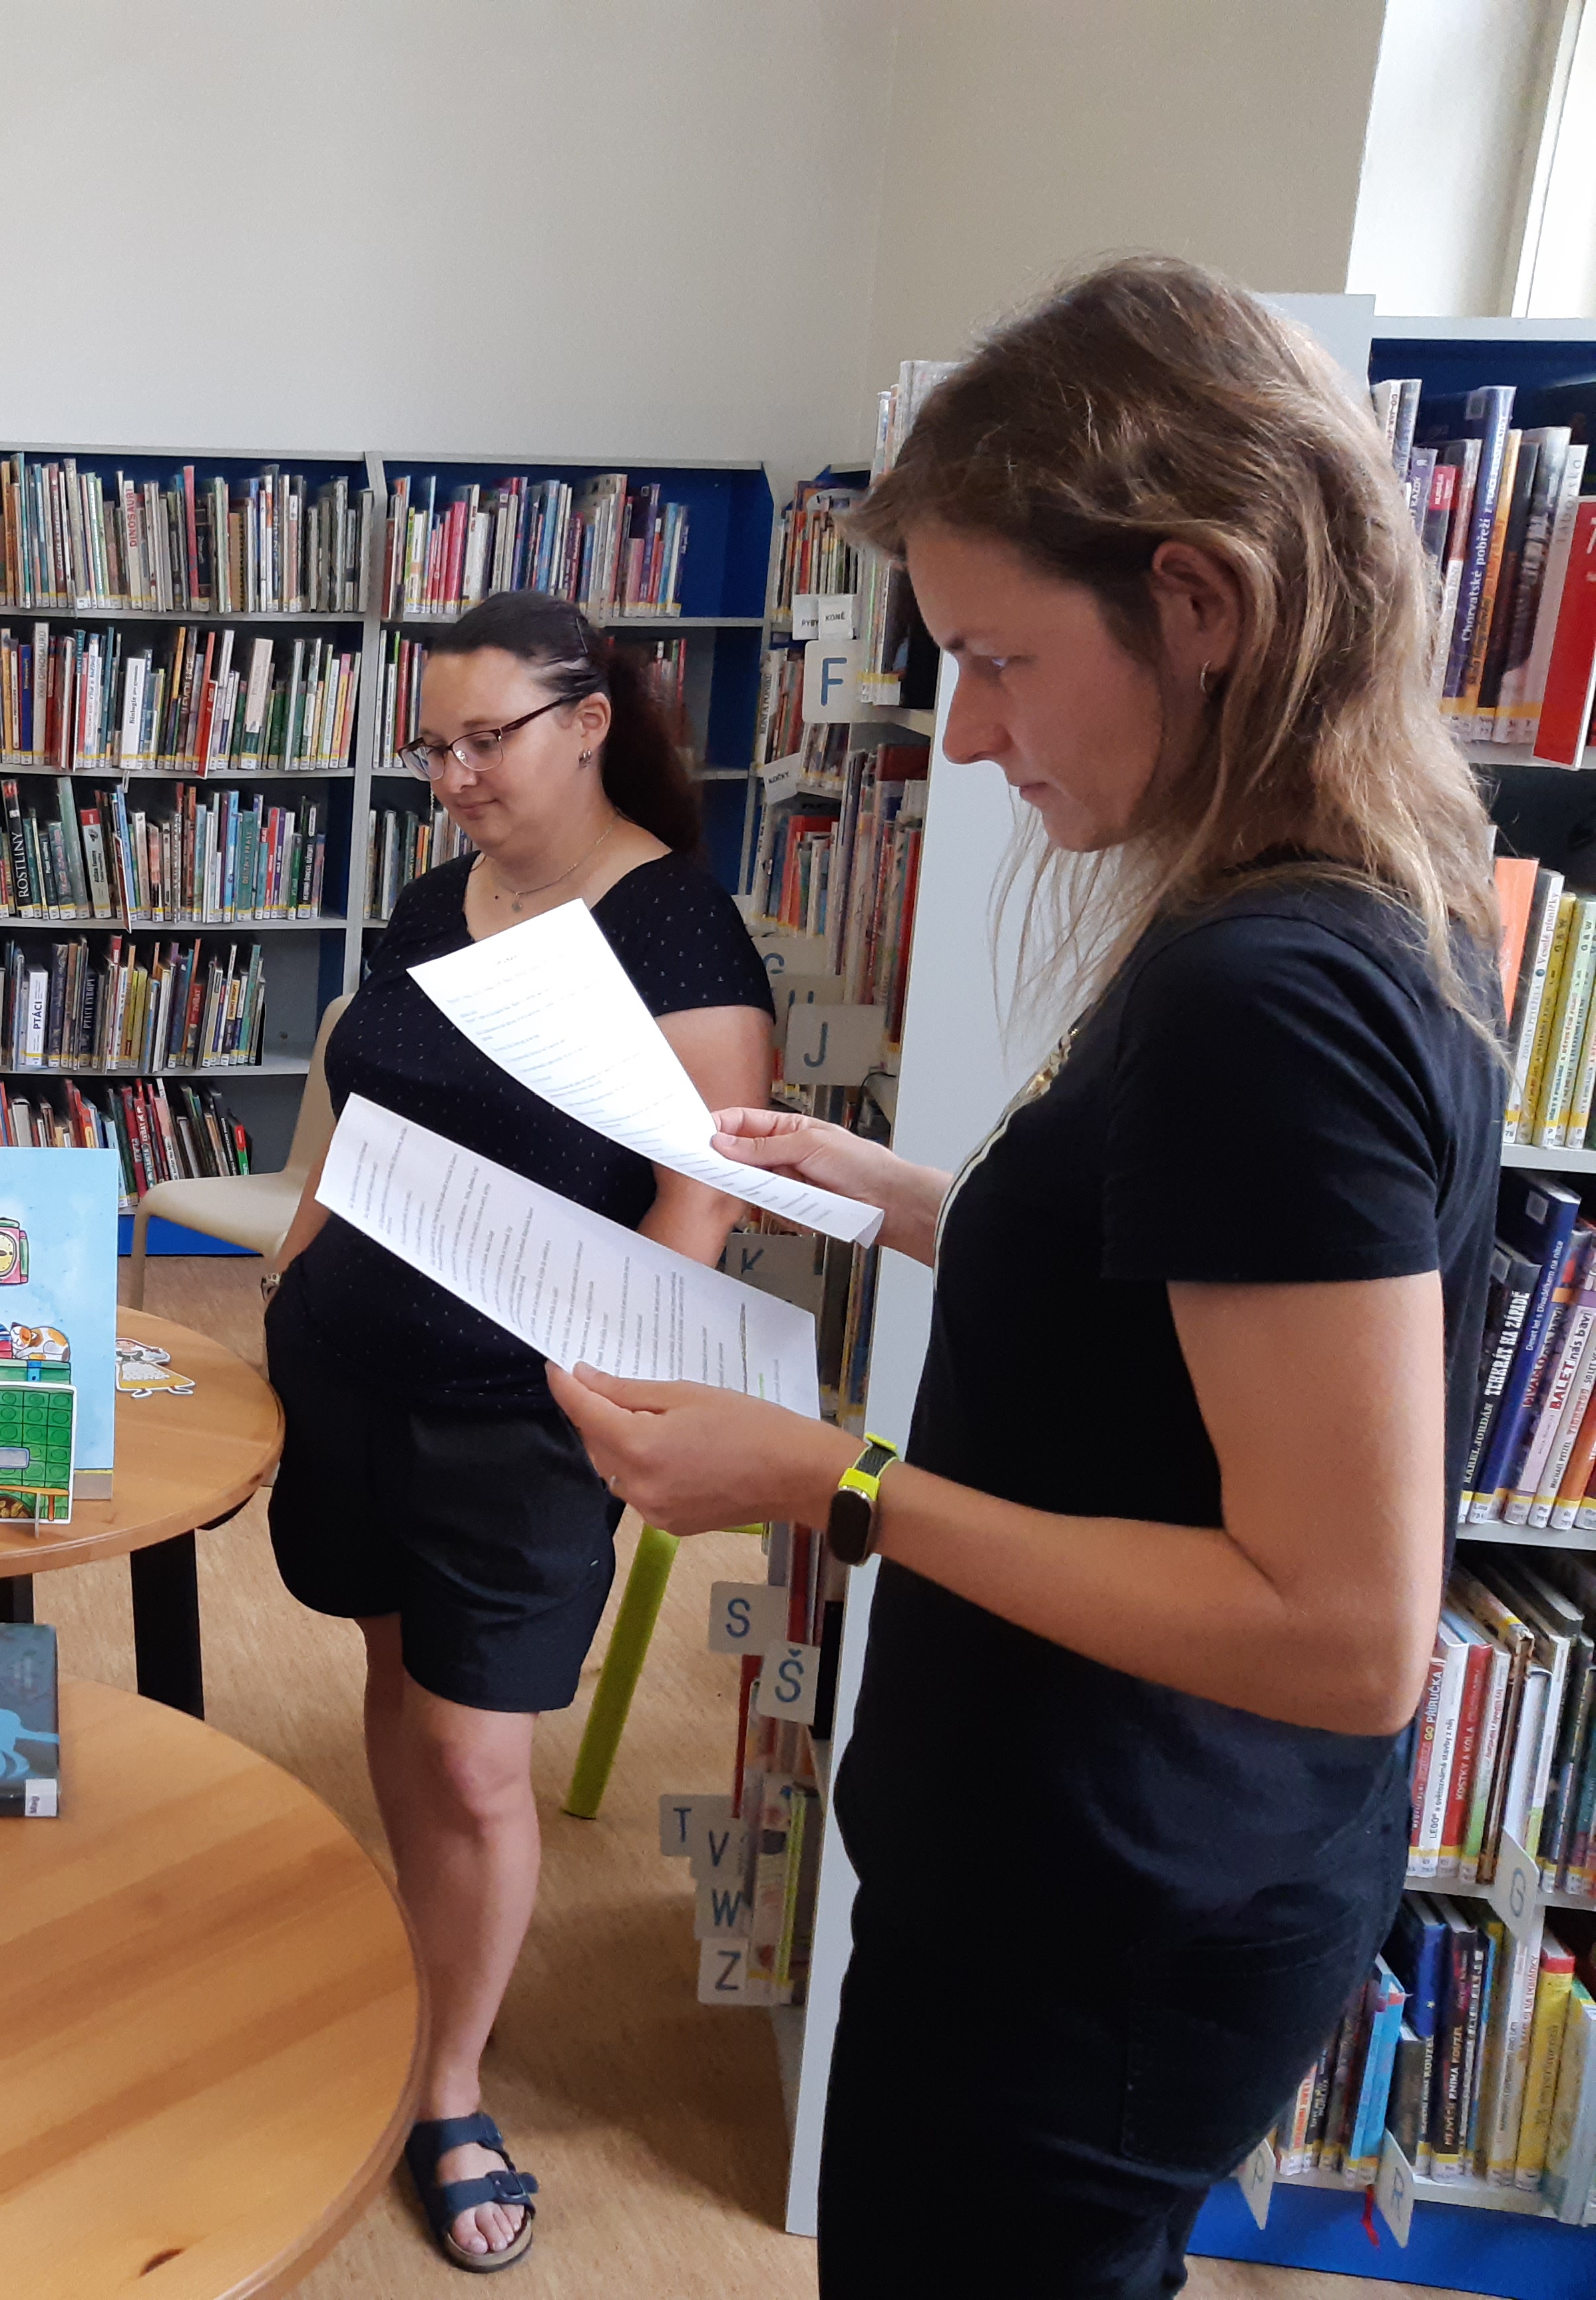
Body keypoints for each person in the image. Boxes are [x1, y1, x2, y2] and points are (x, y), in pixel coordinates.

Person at [546, 258, 1501, 2297]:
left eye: (999, 659)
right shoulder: (1330, 902)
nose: (968, 737)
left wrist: (827, 1482)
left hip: (1103, 1929)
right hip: (1117, 1882)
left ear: (1199, 602)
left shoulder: (1269, 992)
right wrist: (906, 1198)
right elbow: (1183, 1324)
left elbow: (1346, 1631)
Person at [259, 591, 775, 2271]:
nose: (454, 777)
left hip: (521, 1417)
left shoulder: (679, 932)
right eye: (433, 748)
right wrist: (292, 1268)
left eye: (485, 741)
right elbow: (363, 1117)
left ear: (589, 721)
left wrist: (621, 1407)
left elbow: (696, 1211)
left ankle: (448, 2084)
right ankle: (419, 1967)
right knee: (398, 1685)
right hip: (353, 1373)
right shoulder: (437, 901)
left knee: (482, 1760)